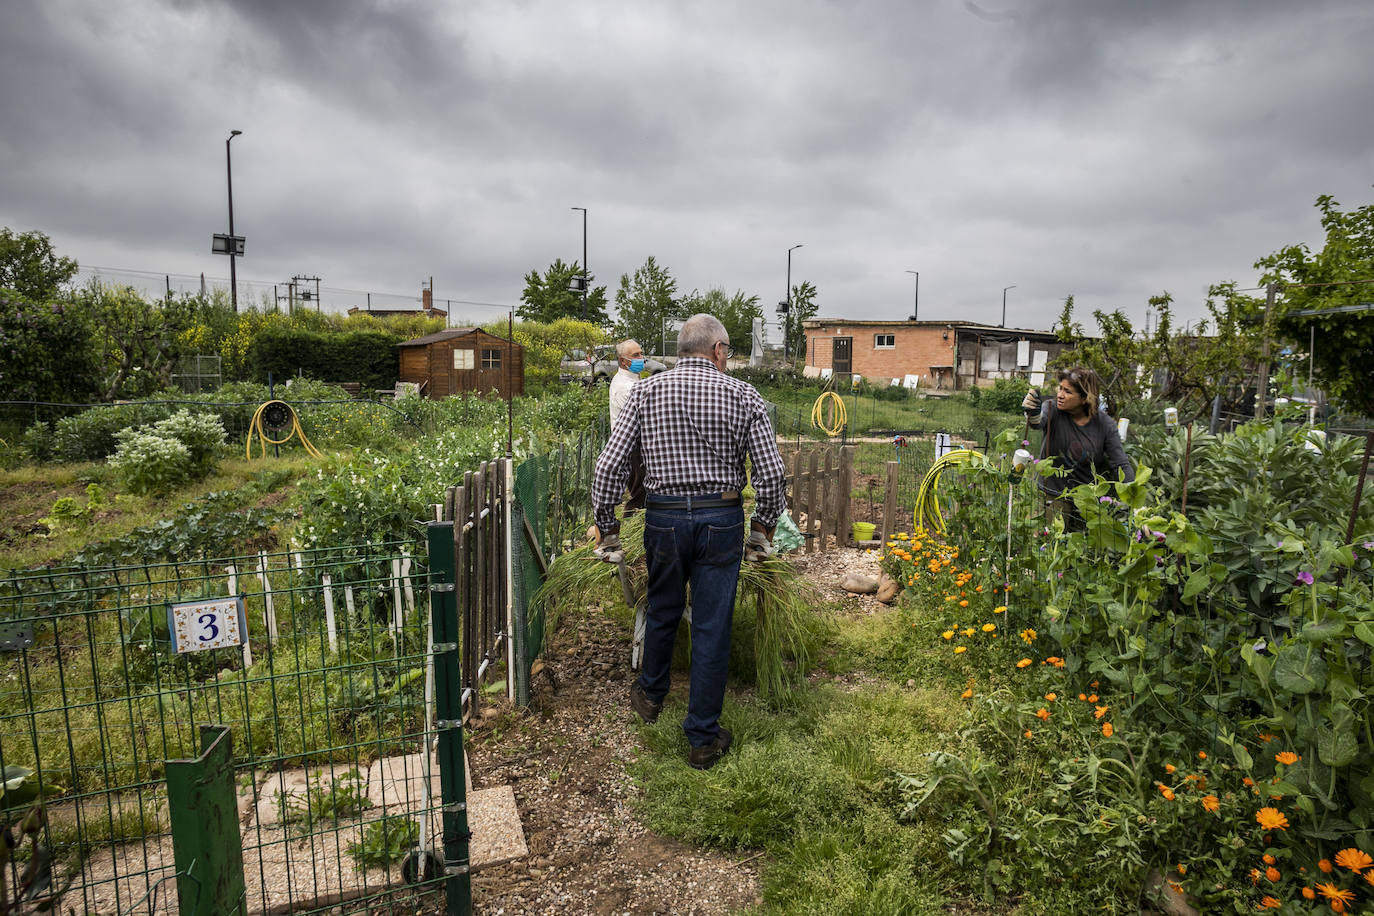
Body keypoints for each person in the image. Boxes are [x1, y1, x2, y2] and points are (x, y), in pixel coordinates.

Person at [591, 314, 785, 770]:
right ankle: (702, 737)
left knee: (663, 607)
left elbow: (609, 467)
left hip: (664, 518)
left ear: (682, 350)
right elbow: (772, 474)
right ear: (717, 349)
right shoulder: (743, 395)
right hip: (721, 518)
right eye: (728, 352)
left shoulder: (645, 391)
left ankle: (651, 696)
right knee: (712, 624)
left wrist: (609, 529)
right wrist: (762, 529)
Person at [1023, 367, 1134, 529]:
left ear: (1084, 398)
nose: (1060, 395)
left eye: (1067, 392)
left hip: (1085, 501)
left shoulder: (1105, 425)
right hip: (1051, 496)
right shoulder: (1052, 408)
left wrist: (1134, 498)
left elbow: (1120, 464)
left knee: (1082, 549)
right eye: (1060, 388)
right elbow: (1038, 421)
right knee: (1046, 546)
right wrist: (1032, 412)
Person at [608, 339, 647, 511]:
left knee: (641, 490)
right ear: (624, 361)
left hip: (634, 445)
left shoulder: (631, 380)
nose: (641, 358)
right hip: (632, 448)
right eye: (636, 355)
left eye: (641, 353)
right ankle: (630, 525)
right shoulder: (626, 387)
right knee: (640, 494)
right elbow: (640, 420)